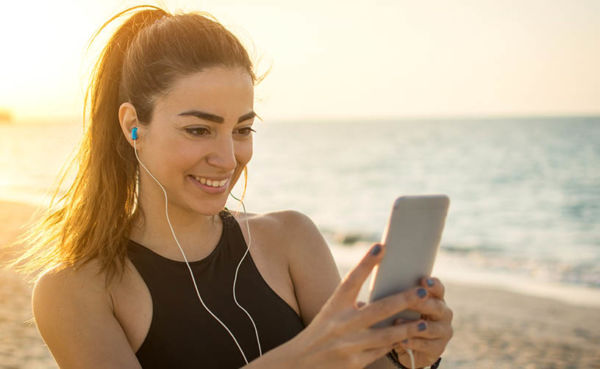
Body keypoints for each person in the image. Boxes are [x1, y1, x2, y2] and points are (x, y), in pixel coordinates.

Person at [13, 5, 453, 368]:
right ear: (133, 125)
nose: (228, 159)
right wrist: (304, 358)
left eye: (242, 130)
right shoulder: (75, 291)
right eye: (199, 130)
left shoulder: (290, 240)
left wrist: (415, 355)